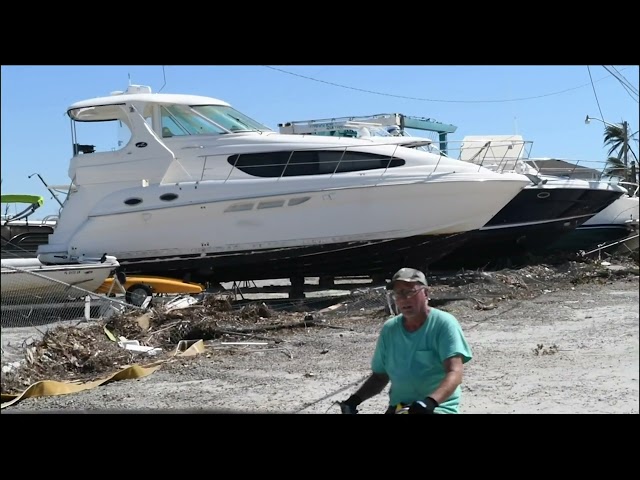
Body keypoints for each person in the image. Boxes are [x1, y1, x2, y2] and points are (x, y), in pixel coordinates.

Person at [340, 267, 472, 414]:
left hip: (437, 408)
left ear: (426, 293)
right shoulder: (390, 329)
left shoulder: (444, 323)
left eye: (410, 292)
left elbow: (455, 372)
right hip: (400, 408)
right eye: (398, 293)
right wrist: (354, 401)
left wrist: (430, 402)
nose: (403, 299)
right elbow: (380, 377)